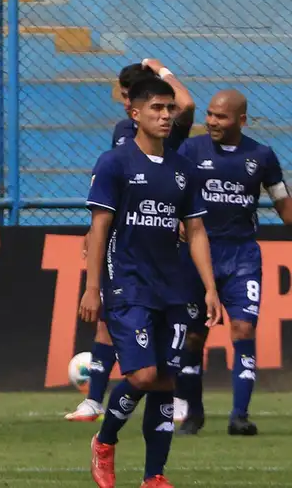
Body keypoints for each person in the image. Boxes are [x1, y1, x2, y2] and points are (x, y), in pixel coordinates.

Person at [81, 76, 222, 488]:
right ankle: (105, 441)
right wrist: (93, 288)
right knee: (144, 376)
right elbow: (99, 227)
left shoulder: (183, 169)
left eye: (169, 109)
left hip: (174, 287)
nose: (165, 116)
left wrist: (210, 287)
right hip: (127, 284)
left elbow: (195, 231)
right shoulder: (115, 163)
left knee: (166, 379)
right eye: (157, 109)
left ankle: (153, 476)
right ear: (134, 113)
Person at [67, 58, 196, 422]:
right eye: (125, 96)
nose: (126, 102)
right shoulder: (122, 135)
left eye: (131, 95)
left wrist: (162, 68)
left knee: (156, 367)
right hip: (125, 254)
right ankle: (94, 400)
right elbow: (111, 199)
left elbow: (186, 105)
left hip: (163, 256)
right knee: (110, 320)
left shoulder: (170, 130)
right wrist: (93, 231)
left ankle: (153, 411)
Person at [174, 90, 292, 436]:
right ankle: (193, 414)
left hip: (241, 255)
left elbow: (283, 204)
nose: (211, 121)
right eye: (209, 114)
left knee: (242, 329)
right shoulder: (190, 150)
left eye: (220, 117)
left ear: (241, 120)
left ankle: (239, 415)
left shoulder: (262, 156)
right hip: (197, 255)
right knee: (193, 337)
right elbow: (171, 189)